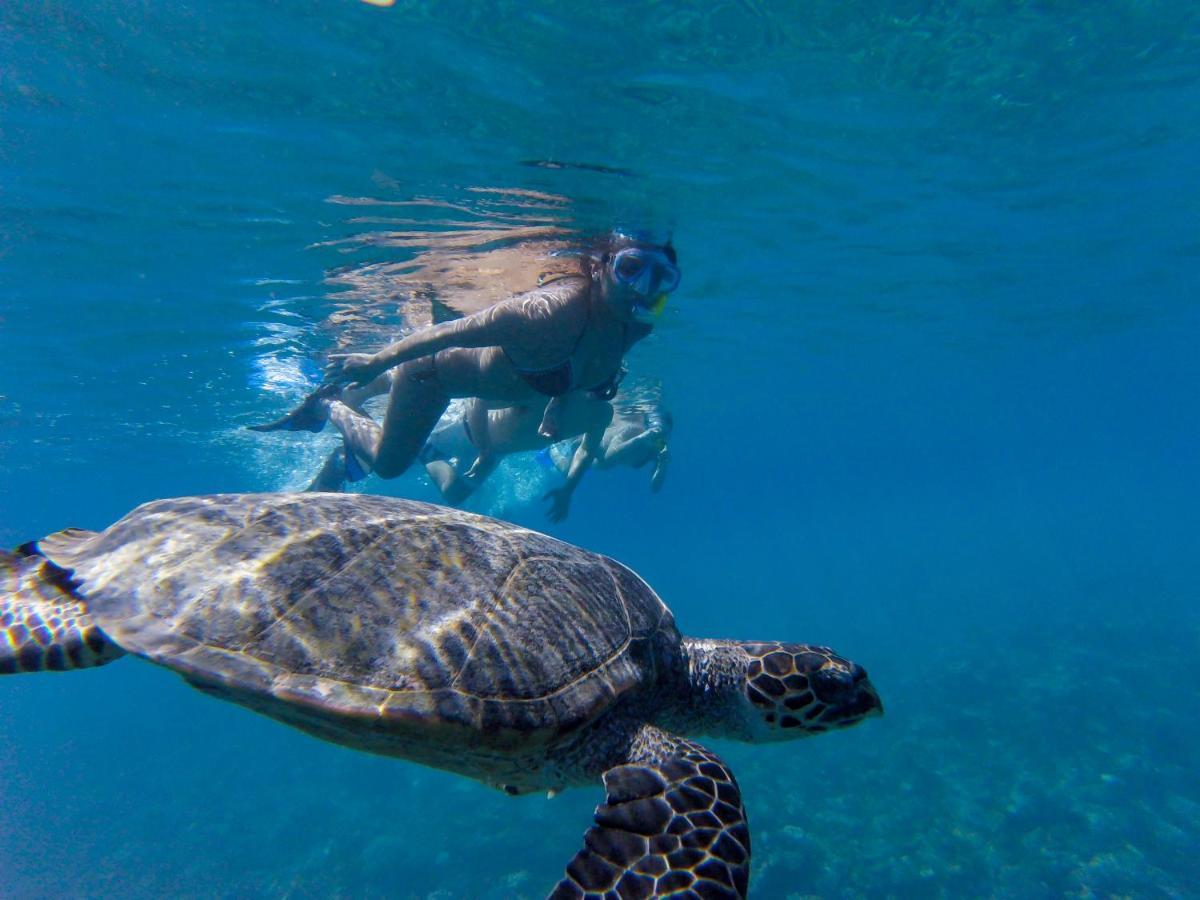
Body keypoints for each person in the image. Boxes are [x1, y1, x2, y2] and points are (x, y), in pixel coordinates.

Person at [251, 231, 680, 487]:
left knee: (390, 464)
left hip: (478, 380)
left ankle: (342, 410)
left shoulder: (635, 327)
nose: (641, 287)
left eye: (660, 278)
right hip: (431, 376)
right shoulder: (545, 314)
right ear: (601, 265)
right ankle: (331, 406)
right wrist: (376, 363)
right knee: (388, 465)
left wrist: (558, 406)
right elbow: (446, 332)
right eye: (631, 268)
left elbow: (581, 370)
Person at [306, 392, 615, 521]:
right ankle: (333, 407)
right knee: (384, 462)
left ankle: (414, 453)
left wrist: (568, 491)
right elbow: (476, 399)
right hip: (460, 431)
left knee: (455, 494)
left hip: (492, 451)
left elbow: (587, 449)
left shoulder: (602, 412)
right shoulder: (548, 394)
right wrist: (483, 447)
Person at [552, 400, 673, 492]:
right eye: (658, 430)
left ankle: (554, 445)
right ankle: (552, 447)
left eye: (664, 433)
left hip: (598, 461)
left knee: (568, 473)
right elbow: (608, 458)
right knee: (567, 471)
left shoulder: (658, 446)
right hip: (584, 442)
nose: (659, 436)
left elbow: (655, 488)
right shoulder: (633, 429)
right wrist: (641, 438)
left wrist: (663, 463)